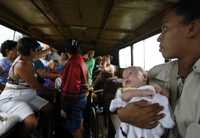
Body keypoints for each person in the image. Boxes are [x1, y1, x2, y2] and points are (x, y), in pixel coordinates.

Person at [117, 1, 200, 138]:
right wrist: (123, 113)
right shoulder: (159, 71)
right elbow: (130, 86)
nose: (159, 38)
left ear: (191, 28)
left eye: (165, 29)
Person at [0, 37, 56, 138]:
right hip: (12, 99)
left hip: (27, 95)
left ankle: (42, 132)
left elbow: (39, 55)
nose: (38, 52)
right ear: (31, 51)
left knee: (49, 108)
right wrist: (54, 91)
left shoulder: (27, 57)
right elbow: (36, 86)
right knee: (31, 122)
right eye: (36, 50)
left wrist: (50, 49)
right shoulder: (21, 65)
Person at [110, 66, 174, 138]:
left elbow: (164, 97)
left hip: (152, 126)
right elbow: (124, 97)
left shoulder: (152, 88)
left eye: (130, 73)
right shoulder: (125, 90)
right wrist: (141, 93)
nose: (126, 78)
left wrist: (162, 91)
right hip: (131, 129)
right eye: (123, 78)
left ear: (144, 77)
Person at [61, 42, 88, 138]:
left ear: (68, 52)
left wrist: (64, 103)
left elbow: (70, 85)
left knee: (74, 128)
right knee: (78, 122)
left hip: (74, 98)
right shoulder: (81, 61)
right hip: (81, 96)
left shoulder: (72, 63)